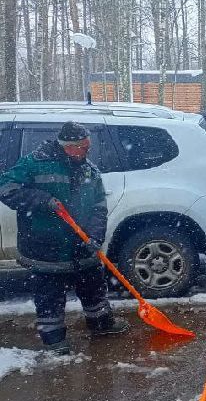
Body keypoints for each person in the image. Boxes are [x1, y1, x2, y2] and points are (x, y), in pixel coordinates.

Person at [0, 121, 128, 354]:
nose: (88, 152)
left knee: (94, 288)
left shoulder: (89, 169)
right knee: (49, 296)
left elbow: (99, 206)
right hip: (46, 245)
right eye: (84, 147)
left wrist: (95, 236)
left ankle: (101, 324)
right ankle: (54, 340)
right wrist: (41, 200)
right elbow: (6, 189)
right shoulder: (34, 163)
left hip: (82, 245)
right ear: (69, 146)